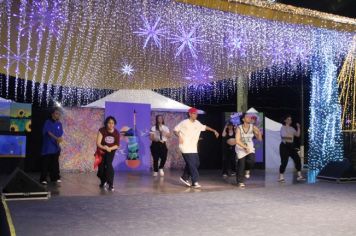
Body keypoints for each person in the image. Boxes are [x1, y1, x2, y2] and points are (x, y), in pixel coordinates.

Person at [174, 107, 219, 188]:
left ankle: (184, 177)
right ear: (190, 114)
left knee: (196, 163)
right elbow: (175, 130)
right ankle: (195, 182)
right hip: (185, 146)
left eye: (196, 114)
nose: (196, 115)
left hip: (193, 147)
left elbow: (205, 127)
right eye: (194, 114)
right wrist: (179, 136)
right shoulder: (184, 122)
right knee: (192, 164)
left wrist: (214, 130)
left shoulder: (197, 123)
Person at [235, 113, 262, 188]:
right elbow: (237, 140)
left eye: (250, 117)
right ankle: (240, 181)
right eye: (247, 117)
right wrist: (244, 147)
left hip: (249, 147)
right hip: (240, 147)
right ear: (243, 119)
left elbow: (259, 139)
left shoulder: (253, 127)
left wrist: (259, 132)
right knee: (241, 164)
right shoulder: (239, 128)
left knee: (251, 161)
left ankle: (247, 169)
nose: (249, 118)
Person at [40, 108, 64, 185]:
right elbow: (48, 132)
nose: (58, 115)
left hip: (55, 146)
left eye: (59, 114)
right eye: (57, 113)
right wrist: (56, 138)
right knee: (46, 163)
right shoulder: (48, 122)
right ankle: (43, 179)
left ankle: (55, 177)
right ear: (52, 114)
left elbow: (60, 133)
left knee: (55, 163)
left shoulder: (59, 124)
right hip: (48, 146)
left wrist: (59, 138)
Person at [278, 115, 305, 182]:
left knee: (297, 159)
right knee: (284, 162)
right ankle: (281, 177)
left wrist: (298, 127)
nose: (290, 120)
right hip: (284, 146)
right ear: (285, 120)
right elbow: (284, 137)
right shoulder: (282, 127)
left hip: (291, 146)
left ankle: (299, 176)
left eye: (291, 119)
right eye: (288, 119)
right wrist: (290, 138)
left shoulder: (292, 128)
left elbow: (297, 135)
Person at [96, 116, 120, 191]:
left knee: (108, 164)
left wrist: (109, 148)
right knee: (101, 169)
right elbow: (98, 143)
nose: (111, 125)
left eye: (112, 123)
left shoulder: (116, 132)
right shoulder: (102, 130)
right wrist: (105, 147)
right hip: (101, 150)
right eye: (109, 123)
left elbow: (117, 145)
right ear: (106, 123)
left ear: (114, 124)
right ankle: (103, 181)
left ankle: (111, 184)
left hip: (111, 150)